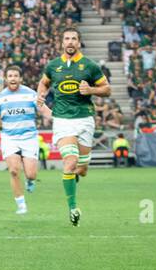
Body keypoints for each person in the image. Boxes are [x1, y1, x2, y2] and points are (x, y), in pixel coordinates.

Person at [35, 29, 111, 226]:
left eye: (74, 39)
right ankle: (73, 208)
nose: (70, 42)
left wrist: (92, 90)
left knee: (82, 169)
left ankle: (74, 177)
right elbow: (43, 83)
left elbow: (107, 89)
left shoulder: (90, 66)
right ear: (62, 42)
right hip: (62, 120)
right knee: (70, 162)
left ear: (79, 42)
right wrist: (41, 95)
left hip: (85, 119)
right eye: (66, 38)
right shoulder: (53, 65)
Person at [0, 65, 52, 214]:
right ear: (6, 79)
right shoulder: (0, 98)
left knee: (31, 174)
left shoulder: (31, 94)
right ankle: (21, 205)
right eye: (10, 76)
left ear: (20, 78)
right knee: (13, 170)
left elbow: (45, 111)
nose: (13, 78)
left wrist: (59, 118)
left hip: (29, 137)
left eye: (15, 76)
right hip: (9, 138)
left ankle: (30, 180)